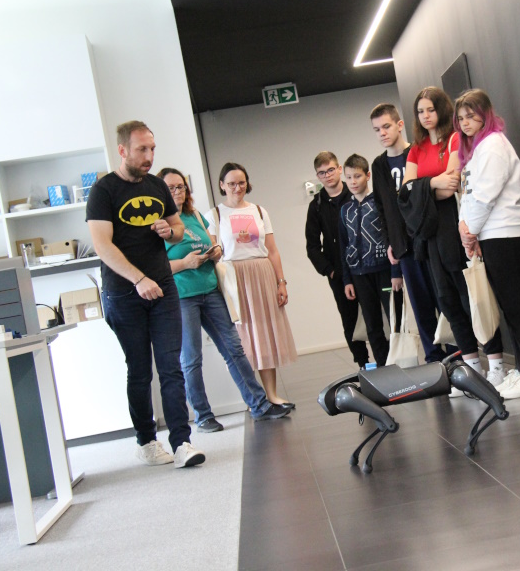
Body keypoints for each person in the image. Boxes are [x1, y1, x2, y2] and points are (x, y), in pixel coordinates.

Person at [86, 120, 205, 468]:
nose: (149, 156)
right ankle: (146, 441)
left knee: (171, 366)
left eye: (152, 148)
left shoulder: (157, 186)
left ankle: (182, 442)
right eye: (142, 149)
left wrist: (171, 232)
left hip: (163, 288)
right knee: (139, 370)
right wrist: (138, 279)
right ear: (122, 150)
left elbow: (178, 227)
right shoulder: (103, 191)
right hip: (124, 293)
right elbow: (102, 246)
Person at [157, 168, 290, 427]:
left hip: (210, 290)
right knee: (191, 359)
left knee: (234, 349)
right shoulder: (159, 225)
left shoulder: (194, 216)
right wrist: (184, 263)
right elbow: (155, 267)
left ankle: (260, 405)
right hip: (182, 296)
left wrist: (215, 252)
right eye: (170, 188)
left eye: (180, 186)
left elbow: (211, 245)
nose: (177, 192)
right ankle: (203, 416)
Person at [398, 87, 504, 394]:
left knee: (472, 297)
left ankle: (496, 364)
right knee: (447, 300)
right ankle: (471, 369)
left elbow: (453, 183)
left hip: (455, 225)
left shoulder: (455, 139)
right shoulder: (416, 149)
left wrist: (424, 188)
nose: (425, 116)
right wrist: (434, 182)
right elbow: (406, 192)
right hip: (430, 234)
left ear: (442, 110)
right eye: (420, 111)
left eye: (430, 109)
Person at [455, 89, 520, 399]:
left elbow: (486, 195)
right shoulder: (477, 149)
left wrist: (470, 232)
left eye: (471, 116)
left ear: (485, 114)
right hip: (491, 233)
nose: (465, 123)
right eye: (461, 118)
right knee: (511, 304)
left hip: (505, 230)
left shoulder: (494, 145)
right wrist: (467, 230)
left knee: (516, 303)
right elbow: (469, 195)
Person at [204, 162, 297, 408]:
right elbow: (212, 253)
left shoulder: (259, 211)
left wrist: (281, 282)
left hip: (262, 273)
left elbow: (273, 250)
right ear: (222, 185)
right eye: (232, 183)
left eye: (241, 183)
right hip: (233, 278)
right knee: (241, 336)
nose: (237, 188)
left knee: (265, 333)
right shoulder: (214, 215)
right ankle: (252, 396)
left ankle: (271, 393)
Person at [369, 103, 450, 363]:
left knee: (443, 298)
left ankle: (456, 354)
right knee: (420, 304)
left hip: (428, 237)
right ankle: (434, 358)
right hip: (403, 245)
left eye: (386, 126)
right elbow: (381, 208)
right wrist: (390, 241)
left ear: (399, 125)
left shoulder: (417, 152)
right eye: (377, 129)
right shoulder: (379, 165)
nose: (382, 133)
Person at [305, 151, 371, 369]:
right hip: (339, 274)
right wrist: (330, 271)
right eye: (322, 173)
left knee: (375, 315)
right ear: (317, 176)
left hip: (366, 267)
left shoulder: (354, 193)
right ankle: (363, 364)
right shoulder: (316, 205)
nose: (327, 175)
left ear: (339, 169)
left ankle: (386, 359)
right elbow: (312, 245)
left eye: (331, 170)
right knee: (349, 320)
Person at [338, 154, 401, 367]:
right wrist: (347, 279)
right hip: (359, 275)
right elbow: (344, 246)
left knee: (394, 319)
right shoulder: (345, 210)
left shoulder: (378, 203)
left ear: (367, 175)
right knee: (372, 324)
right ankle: (383, 366)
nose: (353, 182)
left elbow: (392, 236)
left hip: (384, 270)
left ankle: (401, 362)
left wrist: (396, 272)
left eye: (357, 176)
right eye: (348, 177)